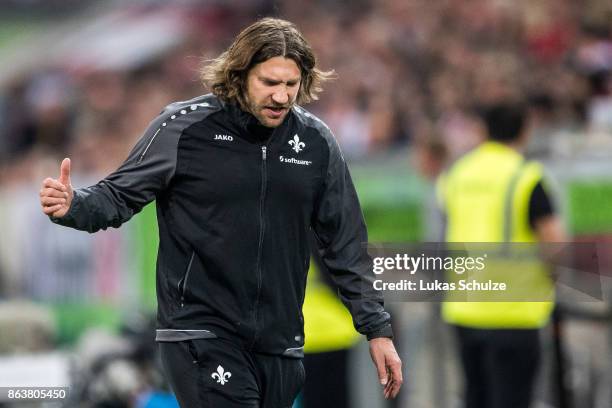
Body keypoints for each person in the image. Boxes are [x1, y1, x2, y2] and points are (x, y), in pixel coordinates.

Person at [39, 18, 402, 407]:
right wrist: (74, 205)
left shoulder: (316, 143)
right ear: (240, 73)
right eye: (269, 82)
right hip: (201, 333)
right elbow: (117, 196)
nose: (281, 96)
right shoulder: (183, 127)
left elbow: (345, 245)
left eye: (291, 84)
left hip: (281, 344)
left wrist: (377, 330)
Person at [436, 102, 565, 408]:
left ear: (485, 131)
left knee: (475, 397)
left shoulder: (457, 173)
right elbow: (554, 242)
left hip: (464, 310)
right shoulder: (526, 176)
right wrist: (554, 282)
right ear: (525, 130)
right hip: (515, 313)